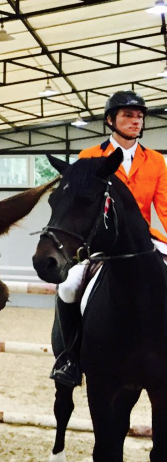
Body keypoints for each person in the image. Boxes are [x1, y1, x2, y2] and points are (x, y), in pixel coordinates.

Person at [50, 90, 167, 386]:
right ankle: (70, 357)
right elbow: (77, 206)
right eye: (128, 115)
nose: (135, 121)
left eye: (139, 116)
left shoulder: (155, 161)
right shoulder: (89, 157)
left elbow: (164, 207)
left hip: (144, 240)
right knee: (68, 286)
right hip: (98, 242)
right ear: (110, 120)